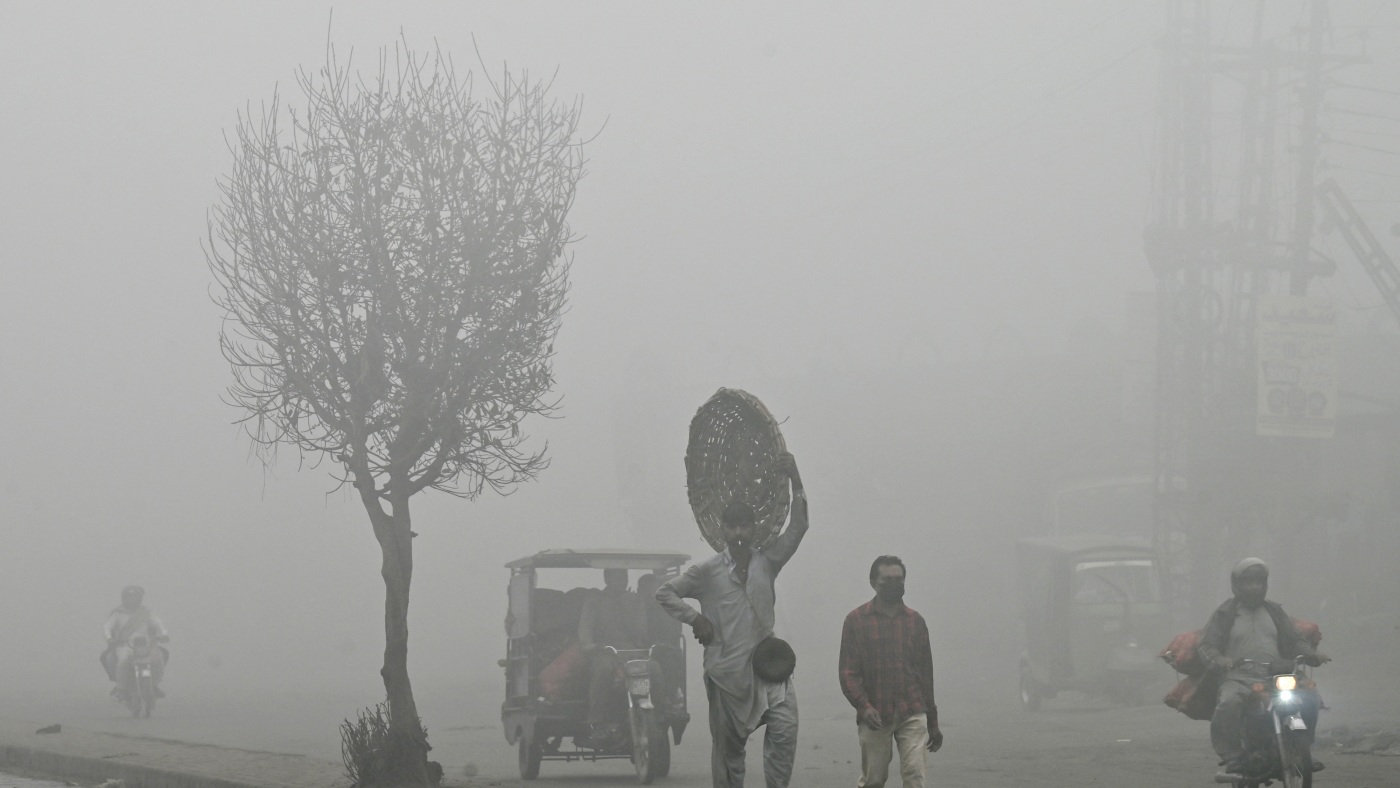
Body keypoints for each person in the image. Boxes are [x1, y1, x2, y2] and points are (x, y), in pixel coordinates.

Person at [656, 451, 808, 788]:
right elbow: (665, 592)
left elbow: (798, 528)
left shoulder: (768, 561)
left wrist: (796, 479)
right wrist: (695, 619)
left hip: (769, 670)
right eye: (732, 525)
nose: (739, 531)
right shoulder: (706, 571)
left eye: (744, 525)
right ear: (722, 529)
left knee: (785, 732)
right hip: (726, 677)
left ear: (753, 528)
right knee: (728, 756)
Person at [1196, 558, 1329, 775]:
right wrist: (1222, 661)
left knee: (1310, 696)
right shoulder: (1224, 614)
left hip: (1278, 675)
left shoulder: (1275, 612)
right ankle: (1233, 756)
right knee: (1228, 703)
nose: (1254, 587)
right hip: (1238, 677)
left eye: (1259, 582)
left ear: (1265, 584)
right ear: (1237, 585)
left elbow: (1295, 639)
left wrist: (1312, 655)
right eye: (1248, 582)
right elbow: (1207, 645)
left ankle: (1302, 748)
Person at [838, 556, 942, 788]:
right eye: (887, 580)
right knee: (874, 780)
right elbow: (848, 673)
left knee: (915, 776)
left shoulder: (916, 621)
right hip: (874, 713)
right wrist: (863, 706)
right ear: (873, 582)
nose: (894, 584)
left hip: (912, 710)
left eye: (899, 579)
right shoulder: (856, 621)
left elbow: (926, 674)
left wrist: (932, 720)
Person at [578, 568, 648, 745]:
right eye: (617, 576)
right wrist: (589, 645)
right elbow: (585, 630)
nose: (622, 580)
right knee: (604, 669)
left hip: (630, 651)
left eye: (624, 576)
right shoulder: (594, 601)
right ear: (606, 578)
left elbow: (641, 634)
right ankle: (596, 722)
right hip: (603, 651)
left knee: (652, 668)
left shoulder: (634, 601)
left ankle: (659, 711)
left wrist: (633, 607)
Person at [102, 585, 169, 702]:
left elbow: (158, 623)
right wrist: (109, 638)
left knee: (158, 658)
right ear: (123, 599)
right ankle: (121, 689)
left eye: (134, 597)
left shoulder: (146, 613)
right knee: (122, 662)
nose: (131, 600)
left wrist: (164, 633)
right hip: (124, 646)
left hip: (146, 645)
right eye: (128, 597)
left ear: (139, 599)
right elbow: (107, 627)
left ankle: (154, 684)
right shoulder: (118, 613)